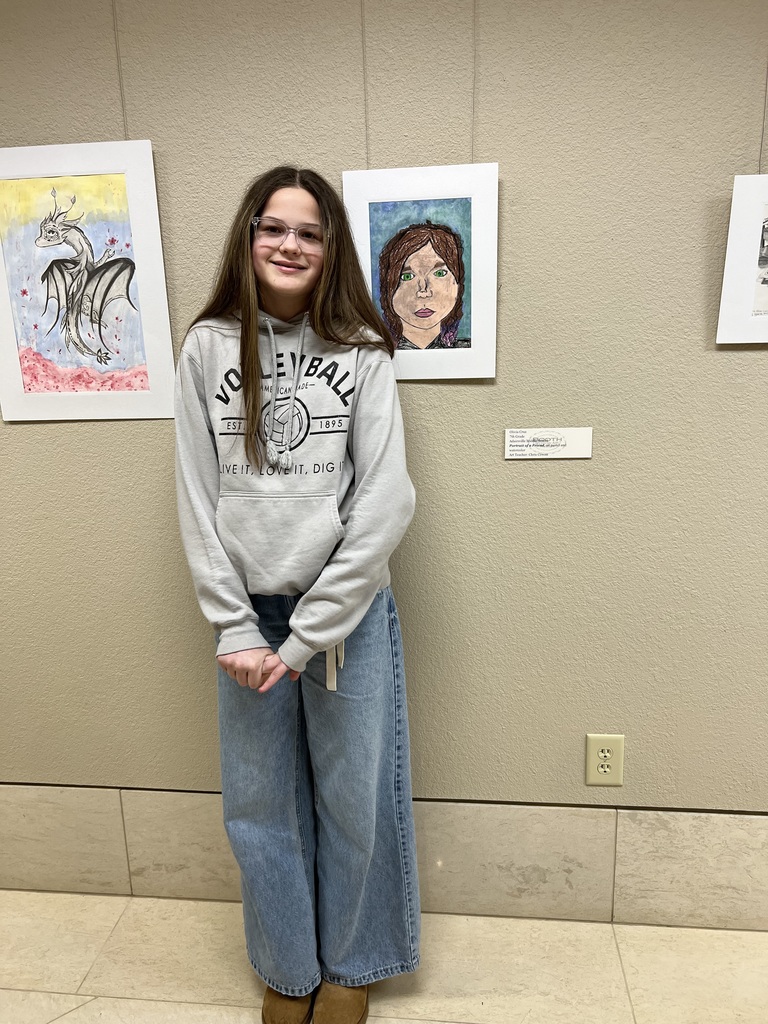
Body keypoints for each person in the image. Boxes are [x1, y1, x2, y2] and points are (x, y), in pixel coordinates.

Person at [174, 166, 420, 1024]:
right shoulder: (207, 346)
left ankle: (355, 965)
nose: (290, 245)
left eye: (309, 233)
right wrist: (237, 627)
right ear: (249, 238)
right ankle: (288, 973)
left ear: (330, 250)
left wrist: (308, 633)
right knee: (259, 807)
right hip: (245, 622)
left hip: (346, 616)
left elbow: (388, 503)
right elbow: (196, 498)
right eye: (273, 228)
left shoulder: (362, 351)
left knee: (356, 800)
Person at [378, 221, 470, 350]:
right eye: (407, 276)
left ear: (457, 283)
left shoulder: (468, 349)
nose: (424, 291)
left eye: (439, 273)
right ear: (388, 288)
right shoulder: (377, 353)